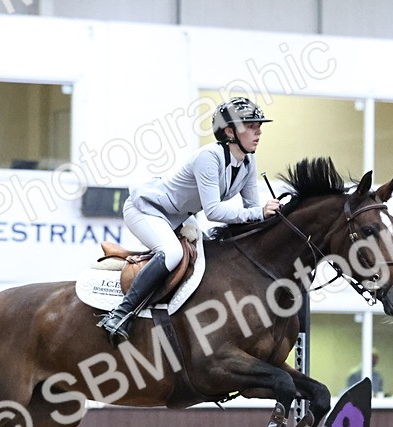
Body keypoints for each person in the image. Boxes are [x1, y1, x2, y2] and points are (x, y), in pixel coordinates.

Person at [95, 97, 282, 345]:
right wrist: (259, 212)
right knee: (171, 253)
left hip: (179, 217)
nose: (258, 132)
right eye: (250, 126)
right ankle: (119, 314)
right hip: (147, 210)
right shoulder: (209, 157)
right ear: (229, 132)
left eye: (259, 126)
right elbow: (214, 211)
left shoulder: (248, 162)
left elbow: (251, 209)